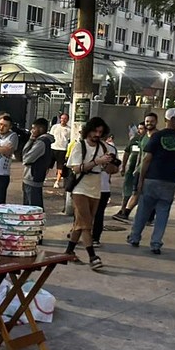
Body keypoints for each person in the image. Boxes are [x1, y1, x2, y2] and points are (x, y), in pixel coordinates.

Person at [127, 108, 175, 255]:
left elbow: (147, 159)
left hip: (152, 178)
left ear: (165, 119)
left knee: (143, 210)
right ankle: (156, 243)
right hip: (169, 181)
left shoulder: (157, 136)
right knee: (163, 213)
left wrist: (141, 179)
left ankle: (135, 237)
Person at [65, 116, 114, 271]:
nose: (97, 135)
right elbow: (76, 168)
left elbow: (112, 170)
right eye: (95, 131)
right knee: (86, 224)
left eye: (100, 132)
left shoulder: (104, 147)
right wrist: (96, 162)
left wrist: (109, 164)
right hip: (80, 189)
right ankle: (92, 256)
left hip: (96, 189)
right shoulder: (80, 146)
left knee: (80, 223)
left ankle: (69, 251)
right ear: (88, 131)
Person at [114, 113, 158, 222]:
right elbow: (140, 154)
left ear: (156, 122)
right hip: (140, 170)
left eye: (152, 121)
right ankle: (127, 213)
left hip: (152, 171)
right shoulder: (143, 137)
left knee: (148, 194)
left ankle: (128, 213)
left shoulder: (158, 136)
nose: (149, 123)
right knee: (137, 192)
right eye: (147, 121)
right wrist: (137, 168)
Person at [92, 133, 120, 247]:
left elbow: (114, 169)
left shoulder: (110, 149)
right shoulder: (85, 146)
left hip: (96, 187)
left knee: (87, 214)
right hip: (100, 187)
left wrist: (106, 165)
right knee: (98, 213)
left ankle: (89, 236)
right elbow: (115, 170)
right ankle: (94, 238)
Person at [21, 118, 56, 210]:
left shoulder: (41, 142)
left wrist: (30, 141)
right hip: (32, 177)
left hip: (33, 177)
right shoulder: (40, 141)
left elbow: (26, 158)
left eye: (34, 128)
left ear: (41, 129)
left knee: (32, 208)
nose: (32, 131)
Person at [50, 112, 71, 188]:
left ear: (67, 120)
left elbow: (69, 139)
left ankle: (57, 182)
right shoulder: (55, 127)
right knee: (47, 166)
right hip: (53, 148)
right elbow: (51, 136)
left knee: (60, 167)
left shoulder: (69, 129)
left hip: (62, 149)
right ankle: (41, 180)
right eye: (62, 118)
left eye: (65, 119)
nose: (63, 120)